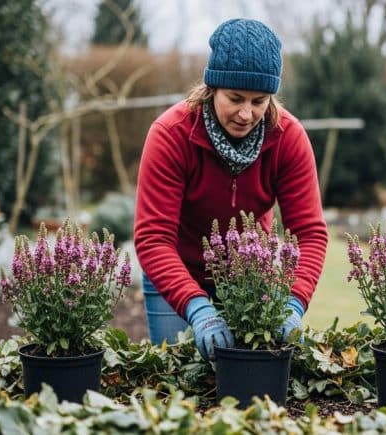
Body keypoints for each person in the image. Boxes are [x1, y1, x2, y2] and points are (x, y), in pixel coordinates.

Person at [134, 18, 328, 361]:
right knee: (174, 383)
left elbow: (309, 233)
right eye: (235, 98)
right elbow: (153, 238)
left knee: (248, 389)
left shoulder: (288, 138)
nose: (246, 113)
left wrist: (294, 301)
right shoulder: (171, 135)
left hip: (249, 278)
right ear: (212, 89)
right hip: (176, 272)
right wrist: (196, 307)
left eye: (259, 101)